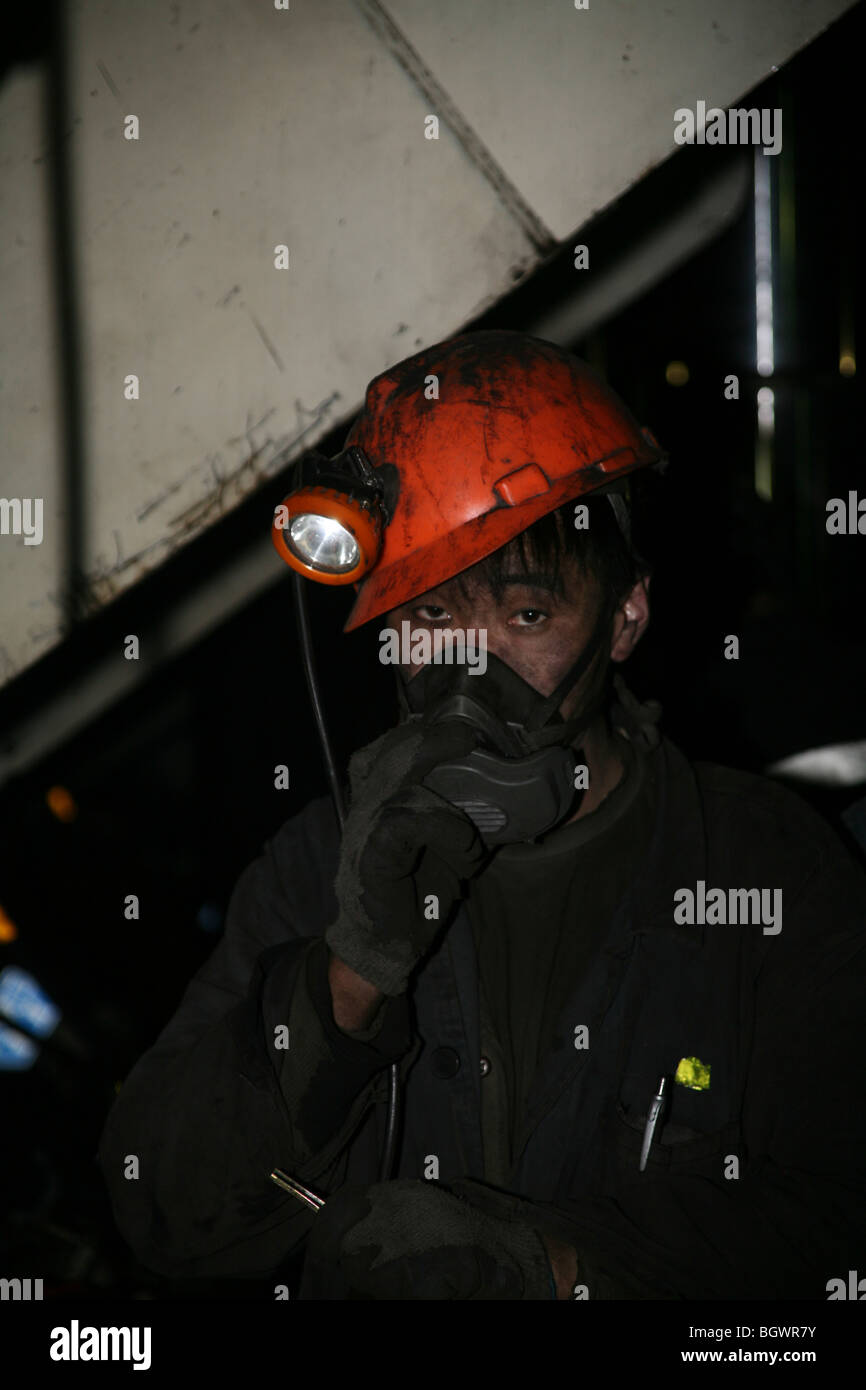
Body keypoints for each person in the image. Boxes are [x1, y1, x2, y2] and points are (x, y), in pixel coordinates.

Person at [98, 331, 866, 1300]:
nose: (471, 667)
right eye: (428, 616)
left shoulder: (761, 862)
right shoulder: (316, 867)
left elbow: (839, 1213)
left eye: (526, 615)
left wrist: (548, 1268)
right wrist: (345, 981)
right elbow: (165, 1215)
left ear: (625, 615)